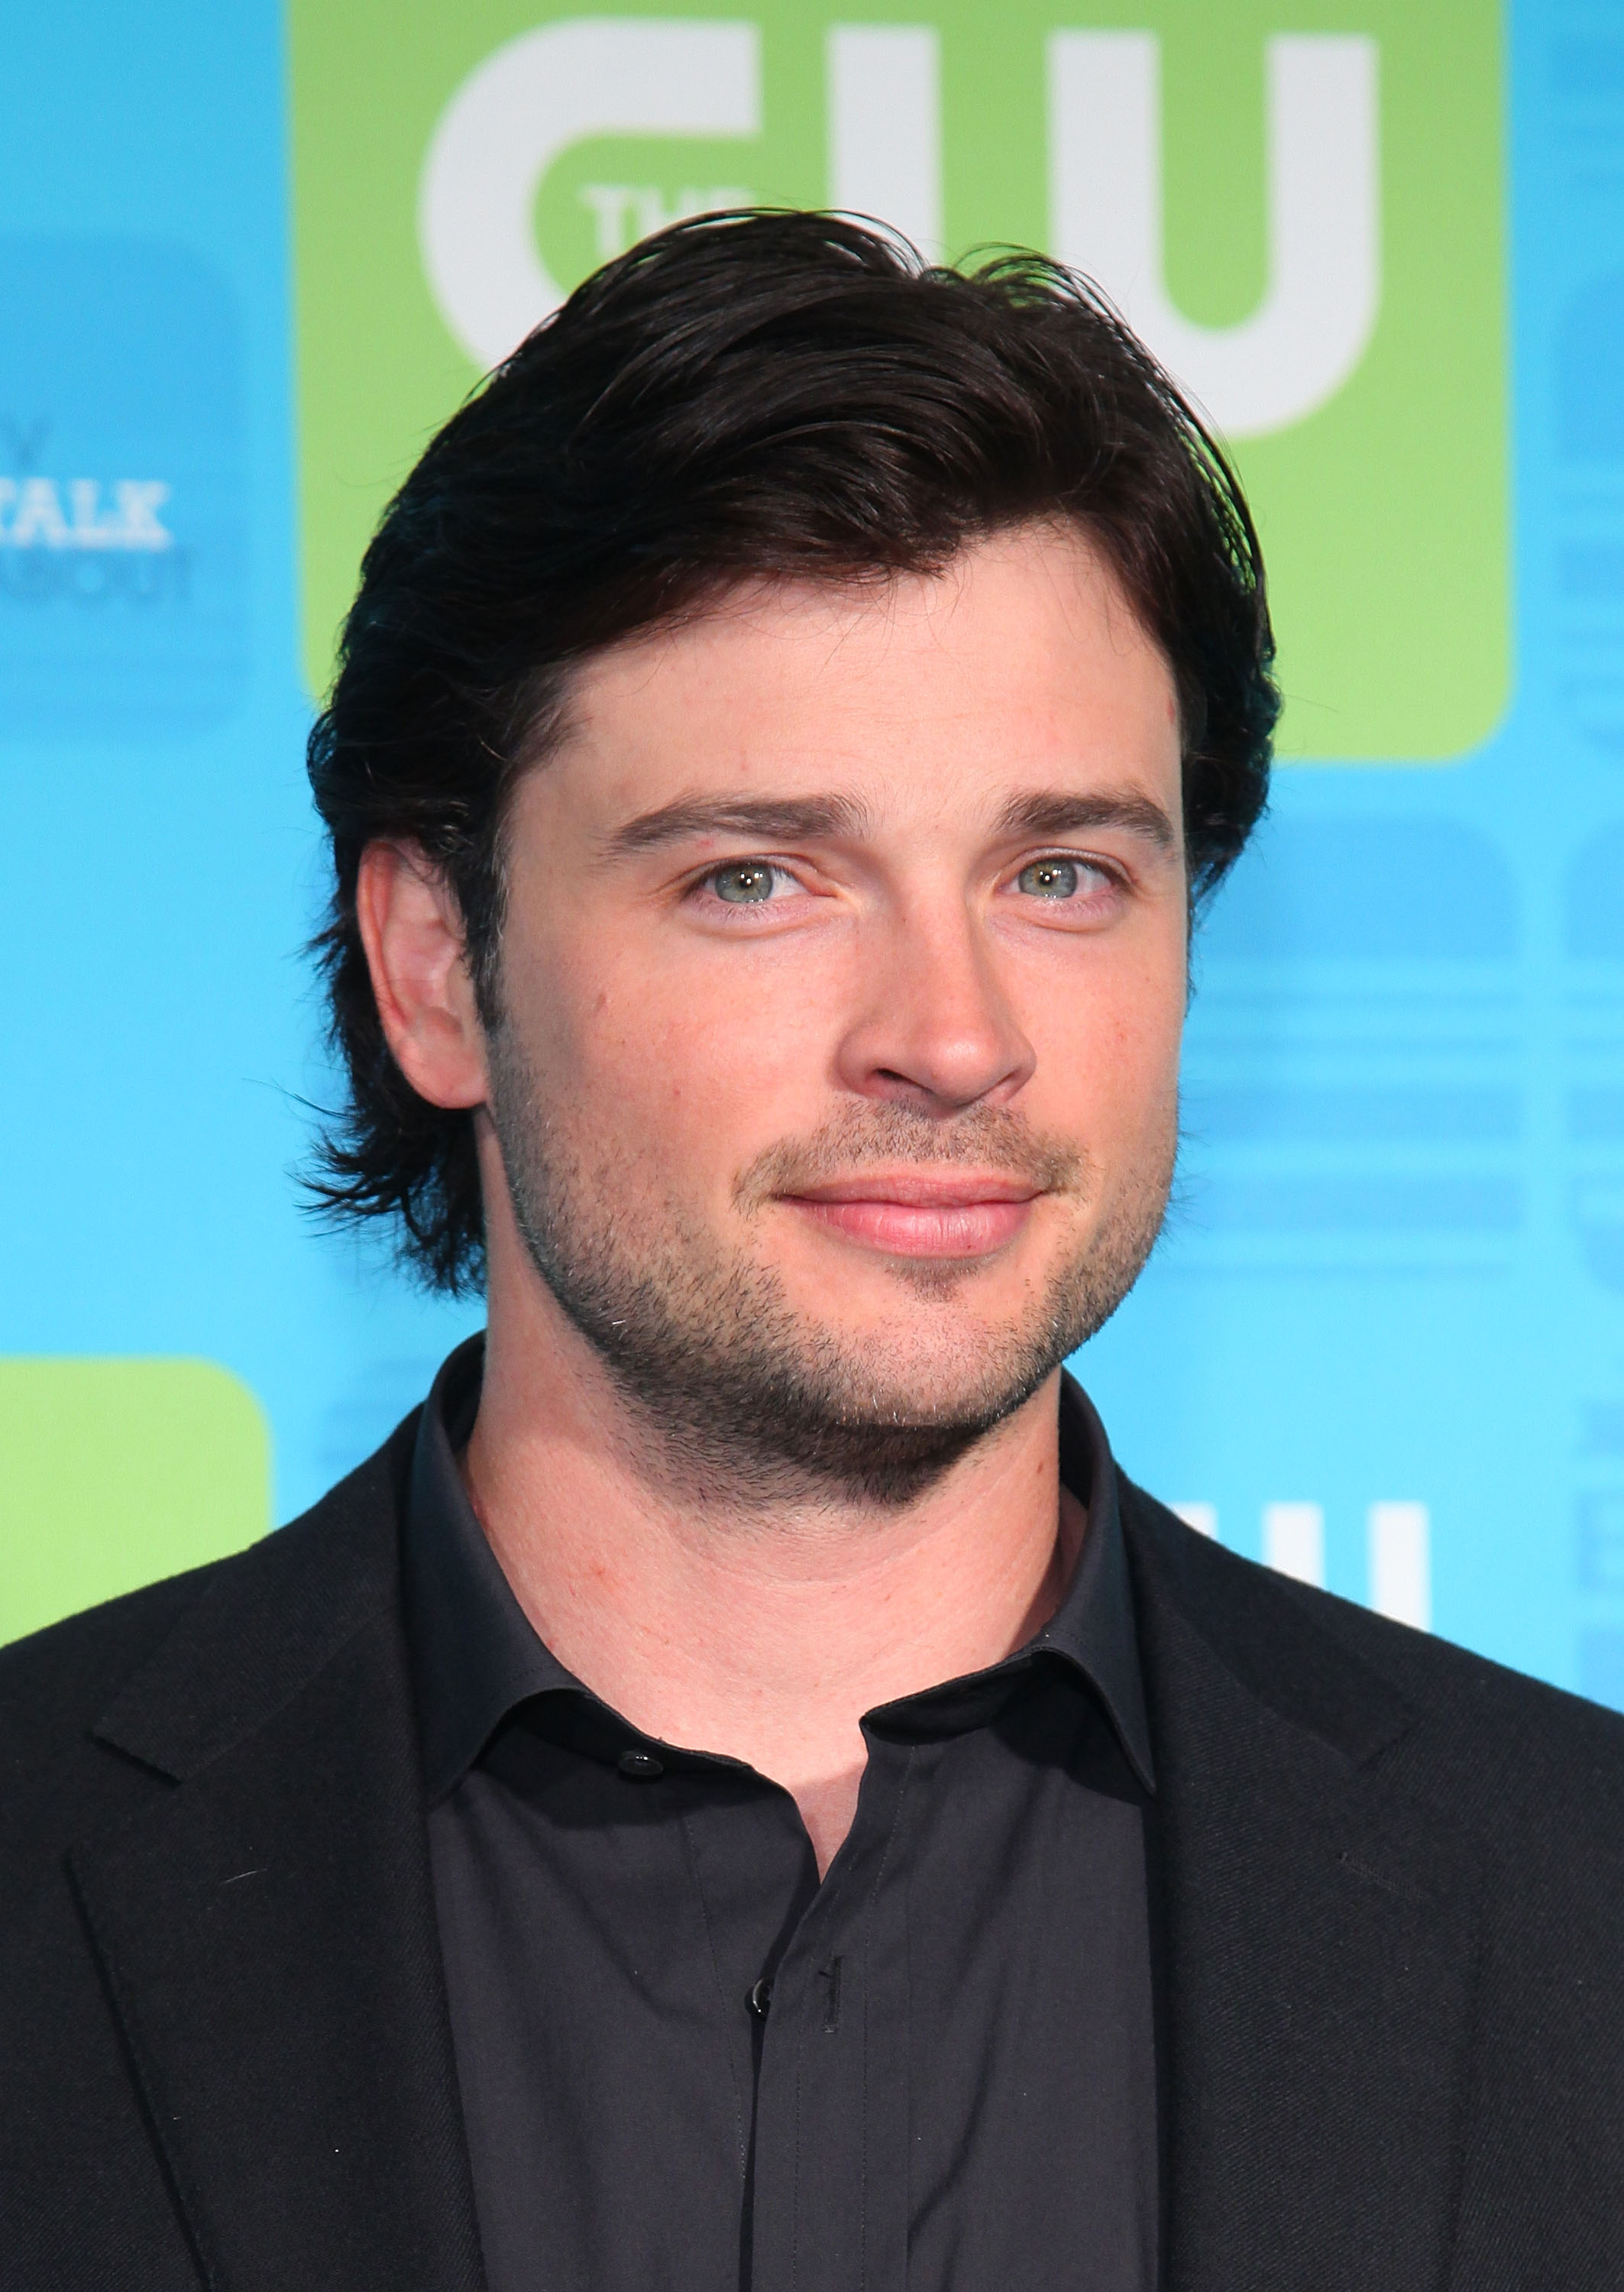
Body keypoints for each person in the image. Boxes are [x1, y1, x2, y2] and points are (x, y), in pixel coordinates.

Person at [3, 212, 1622, 2292]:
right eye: (759, 876)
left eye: (1059, 871)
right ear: (434, 965)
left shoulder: (1580, 1910)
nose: (952, 1033)